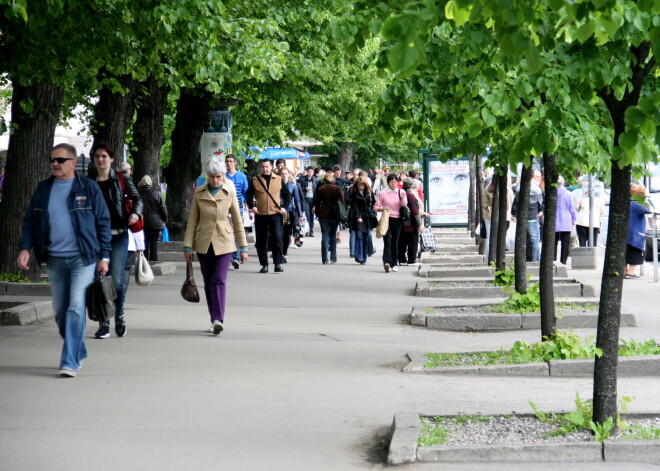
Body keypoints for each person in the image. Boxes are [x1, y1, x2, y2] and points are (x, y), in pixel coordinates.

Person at [18, 143, 111, 377]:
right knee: (60, 311)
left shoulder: (87, 187)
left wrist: (105, 256)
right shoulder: (43, 189)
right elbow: (30, 221)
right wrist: (25, 248)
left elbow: (103, 222)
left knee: (76, 308)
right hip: (55, 260)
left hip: (84, 258)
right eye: (52, 160)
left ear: (72, 163)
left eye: (60, 160)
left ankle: (69, 361)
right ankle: (78, 348)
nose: (55, 164)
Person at [183, 157, 248, 334]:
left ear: (223, 175)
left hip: (224, 242)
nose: (215, 180)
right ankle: (213, 318)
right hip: (204, 242)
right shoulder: (199, 193)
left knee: (219, 279)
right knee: (209, 282)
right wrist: (187, 246)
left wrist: (243, 246)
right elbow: (192, 221)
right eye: (212, 176)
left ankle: (218, 319)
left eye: (218, 176)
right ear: (208, 175)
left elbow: (237, 221)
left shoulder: (229, 191)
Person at [90, 143, 143, 339]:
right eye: (97, 156)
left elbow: (138, 199)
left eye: (104, 156)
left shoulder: (121, 178)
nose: (100, 160)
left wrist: (136, 214)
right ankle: (104, 322)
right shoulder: (89, 182)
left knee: (118, 281)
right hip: (97, 238)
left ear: (111, 159)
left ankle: (119, 315)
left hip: (119, 235)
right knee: (101, 280)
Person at [246, 159, 291, 273]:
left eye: (267, 167)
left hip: (275, 213)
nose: (265, 169)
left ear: (271, 167)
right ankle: (264, 265)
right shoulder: (255, 180)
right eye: (263, 167)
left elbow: (287, 195)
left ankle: (277, 263)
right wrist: (252, 206)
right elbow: (248, 194)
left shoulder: (278, 179)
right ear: (261, 168)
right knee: (261, 240)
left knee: (277, 238)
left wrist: (284, 207)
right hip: (260, 214)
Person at [374, 173, 407, 273]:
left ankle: (394, 263)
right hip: (386, 219)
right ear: (388, 182)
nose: (393, 183)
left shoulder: (401, 192)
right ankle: (387, 263)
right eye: (391, 182)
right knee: (387, 241)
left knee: (395, 242)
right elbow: (376, 207)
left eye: (395, 182)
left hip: (397, 220)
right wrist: (382, 208)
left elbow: (404, 205)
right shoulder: (382, 193)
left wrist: (402, 198)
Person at [511, 170, 544, 262]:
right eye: (536, 177)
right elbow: (541, 203)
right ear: (532, 177)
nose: (538, 178)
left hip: (522, 217)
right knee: (535, 240)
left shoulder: (518, 188)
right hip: (533, 217)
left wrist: (514, 214)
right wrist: (541, 211)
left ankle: (523, 259)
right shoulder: (537, 190)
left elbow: (516, 203)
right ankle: (536, 260)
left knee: (522, 239)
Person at [312, 173, 344, 265]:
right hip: (334, 215)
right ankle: (333, 258)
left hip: (323, 214)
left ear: (325, 181)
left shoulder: (321, 189)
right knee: (333, 236)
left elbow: (317, 203)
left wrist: (318, 214)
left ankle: (325, 259)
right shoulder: (337, 189)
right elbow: (342, 201)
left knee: (324, 235)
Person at [224, 153, 250, 269]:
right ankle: (228, 258)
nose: (228, 163)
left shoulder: (242, 176)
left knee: (237, 232)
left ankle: (236, 257)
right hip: (225, 209)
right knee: (227, 233)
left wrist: (246, 205)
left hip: (238, 208)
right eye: (227, 161)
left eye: (230, 161)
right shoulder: (223, 176)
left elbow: (246, 192)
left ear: (235, 163)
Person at [138, 175, 168, 262]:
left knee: (145, 244)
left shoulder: (139, 194)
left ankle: (144, 263)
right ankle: (153, 262)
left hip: (143, 223)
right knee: (154, 244)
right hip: (155, 223)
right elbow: (163, 208)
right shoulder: (156, 194)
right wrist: (165, 219)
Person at [348, 177, 376, 264]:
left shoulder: (369, 193)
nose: (361, 187)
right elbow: (354, 206)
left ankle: (364, 258)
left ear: (365, 185)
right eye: (359, 185)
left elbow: (373, 203)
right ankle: (358, 256)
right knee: (359, 236)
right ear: (356, 185)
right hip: (358, 217)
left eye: (362, 185)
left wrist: (373, 213)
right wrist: (358, 216)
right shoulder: (354, 194)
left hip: (367, 217)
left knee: (366, 237)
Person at [625, 184, 650, 279]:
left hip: (628, 233)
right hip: (636, 234)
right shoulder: (638, 204)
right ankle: (630, 272)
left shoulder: (629, 203)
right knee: (636, 253)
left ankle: (625, 271)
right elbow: (647, 209)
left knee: (627, 253)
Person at [398, 178, 423, 266]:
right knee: (412, 242)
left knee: (402, 242)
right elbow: (415, 211)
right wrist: (419, 224)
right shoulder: (410, 195)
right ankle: (411, 260)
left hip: (400, 222)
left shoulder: (400, 193)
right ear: (412, 185)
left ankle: (401, 259)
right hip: (410, 223)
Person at [280, 167, 303, 257]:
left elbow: (297, 200)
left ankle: (284, 251)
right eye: (282, 174)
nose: (284, 175)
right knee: (278, 232)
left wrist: (300, 214)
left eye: (286, 174)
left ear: (289, 174)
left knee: (287, 232)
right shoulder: (276, 185)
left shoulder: (293, 185)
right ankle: (278, 250)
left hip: (289, 211)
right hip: (278, 210)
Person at [554, 176, 577, 265]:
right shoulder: (568, 193)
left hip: (554, 220)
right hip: (566, 220)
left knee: (553, 242)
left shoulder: (551, 193)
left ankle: (553, 260)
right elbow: (572, 208)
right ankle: (563, 261)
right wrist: (574, 219)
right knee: (565, 243)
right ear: (563, 183)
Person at [575, 180, 605, 247]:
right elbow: (602, 211)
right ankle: (592, 257)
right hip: (595, 222)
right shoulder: (599, 197)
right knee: (593, 244)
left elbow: (576, 207)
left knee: (582, 242)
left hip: (582, 222)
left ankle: (583, 256)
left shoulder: (582, 195)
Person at [298, 166, 319, 237]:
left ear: (313, 172)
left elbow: (318, 190)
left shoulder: (316, 180)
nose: (310, 173)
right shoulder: (302, 179)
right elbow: (298, 187)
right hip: (306, 199)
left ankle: (311, 231)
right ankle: (307, 230)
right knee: (307, 215)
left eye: (312, 172)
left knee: (312, 215)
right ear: (307, 172)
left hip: (313, 199)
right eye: (309, 172)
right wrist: (304, 188)